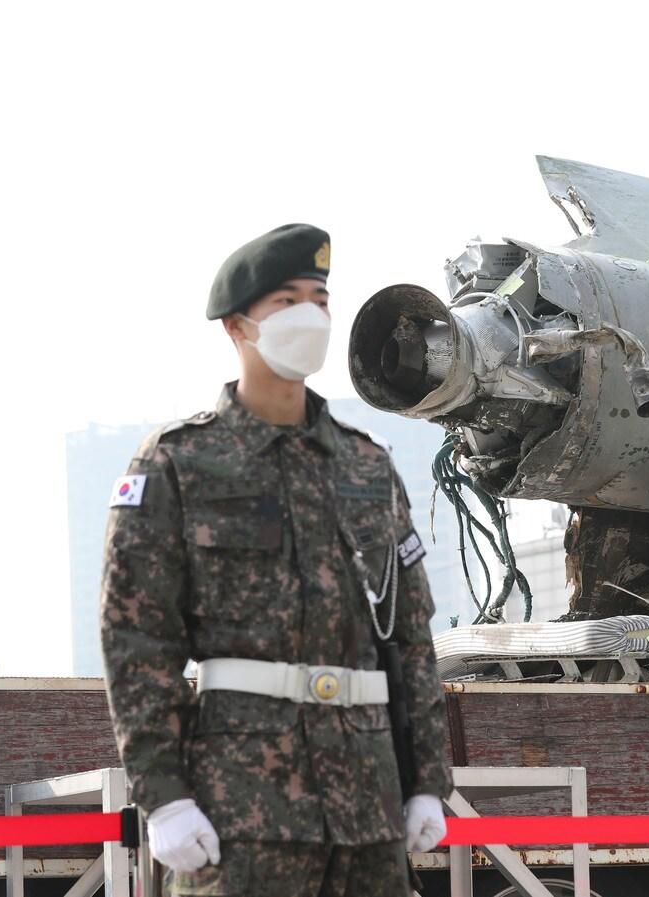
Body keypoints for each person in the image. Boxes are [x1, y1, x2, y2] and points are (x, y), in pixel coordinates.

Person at [99, 223, 451, 895]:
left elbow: (410, 638)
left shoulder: (368, 465)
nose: (310, 316)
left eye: (320, 299)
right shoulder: (177, 463)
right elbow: (136, 641)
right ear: (237, 325)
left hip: (369, 809)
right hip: (241, 811)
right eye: (286, 301)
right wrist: (164, 796)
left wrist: (427, 780)